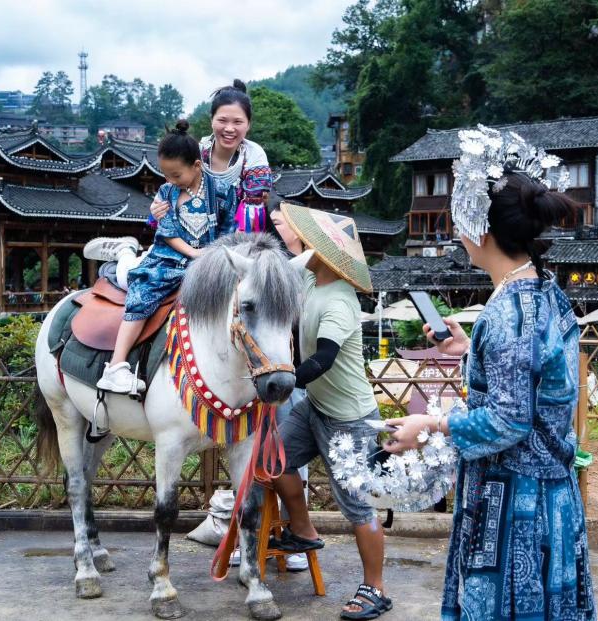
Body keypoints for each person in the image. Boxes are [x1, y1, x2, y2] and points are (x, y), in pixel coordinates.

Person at [384, 164, 596, 620]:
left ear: (480, 230)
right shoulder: (546, 290)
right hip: (554, 495)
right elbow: (537, 380)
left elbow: (508, 420)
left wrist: (431, 424)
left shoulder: (504, 317)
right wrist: (467, 351)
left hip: (514, 504)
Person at [269, 203, 391, 620]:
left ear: (323, 251)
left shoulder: (340, 300)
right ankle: (303, 530)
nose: (302, 244)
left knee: (356, 506)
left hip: (350, 420)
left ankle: (375, 589)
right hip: (318, 407)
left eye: (310, 241)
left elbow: (324, 358)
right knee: (274, 460)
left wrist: (285, 381)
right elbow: (286, 262)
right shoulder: (308, 277)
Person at [86, 120, 237, 394]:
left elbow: (229, 231)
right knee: (144, 291)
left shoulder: (225, 192)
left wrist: (213, 256)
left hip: (210, 261)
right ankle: (116, 366)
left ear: (196, 165)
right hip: (168, 259)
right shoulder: (167, 192)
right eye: (166, 174)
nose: (169, 181)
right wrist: (195, 253)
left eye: (176, 175)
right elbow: (167, 232)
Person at [152, 79, 272, 233]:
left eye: (237, 122)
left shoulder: (254, 155)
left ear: (248, 124)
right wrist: (158, 207)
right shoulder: (196, 151)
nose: (229, 128)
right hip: (191, 231)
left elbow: (252, 214)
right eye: (222, 120)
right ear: (212, 120)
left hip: (238, 234)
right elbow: (172, 189)